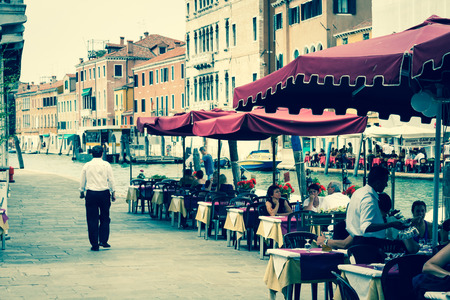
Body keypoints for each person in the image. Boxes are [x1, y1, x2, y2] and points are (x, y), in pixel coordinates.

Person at [318, 193, 419, 254]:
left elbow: (345, 244)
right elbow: (413, 249)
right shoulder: (394, 223)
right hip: (394, 271)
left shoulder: (369, 226)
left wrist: (325, 241)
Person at [345, 166, 409, 247]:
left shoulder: (359, 192)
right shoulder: (369, 199)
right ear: (378, 182)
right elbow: (366, 227)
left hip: (357, 240)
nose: (386, 185)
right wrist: (391, 224)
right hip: (367, 244)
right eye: (385, 181)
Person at [79, 145, 116, 251]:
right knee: (105, 217)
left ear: (91, 154)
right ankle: (103, 241)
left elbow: (82, 180)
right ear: (102, 153)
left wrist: (82, 192)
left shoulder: (87, 165)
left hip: (91, 194)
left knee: (92, 219)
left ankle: (94, 244)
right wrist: (113, 192)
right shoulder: (106, 165)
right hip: (104, 193)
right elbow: (111, 179)